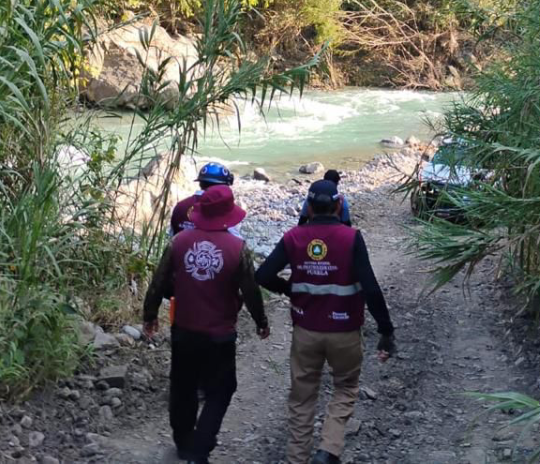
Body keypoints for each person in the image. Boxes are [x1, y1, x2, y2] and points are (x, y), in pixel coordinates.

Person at [257, 179, 395, 464]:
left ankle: (298, 458)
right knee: (345, 388)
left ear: (308, 206)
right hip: (344, 331)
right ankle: (328, 449)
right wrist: (386, 331)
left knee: (302, 398)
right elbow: (370, 287)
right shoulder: (351, 237)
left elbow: (262, 276)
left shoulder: (293, 237)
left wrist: (288, 289)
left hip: (306, 332)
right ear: (338, 205)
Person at [143, 185, 269, 464]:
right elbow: (250, 290)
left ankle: (183, 441)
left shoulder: (179, 242)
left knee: (182, 385)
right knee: (221, 389)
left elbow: (158, 282)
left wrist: (150, 315)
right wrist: (261, 321)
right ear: (228, 215)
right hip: (220, 335)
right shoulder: (238, 249)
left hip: (184, 329)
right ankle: (199, 450)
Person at [170, 162, 235, 236]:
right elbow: (236, 241)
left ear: (200, 183)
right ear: (223, 187)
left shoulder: (180, 206)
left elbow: (172, 237)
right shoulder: (223, 208)